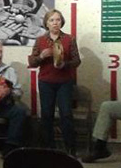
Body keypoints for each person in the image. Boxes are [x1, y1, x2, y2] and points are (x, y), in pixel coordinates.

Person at [28, 9, 81, 155]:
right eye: (51, 20)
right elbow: (32, 63)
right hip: (46, 82)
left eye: (57, 20)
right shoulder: (40, 40)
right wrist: (41, 57)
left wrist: (65, 64)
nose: (55, 23)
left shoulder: (70, 39)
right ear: (46, 23)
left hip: (65, 82)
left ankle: (71, 149)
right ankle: (48, 148)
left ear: (61, 22)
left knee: (66, 114)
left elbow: (77, 61)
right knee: (46, 115)